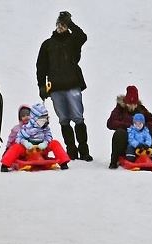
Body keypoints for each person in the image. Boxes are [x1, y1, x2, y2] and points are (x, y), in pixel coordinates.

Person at [36, 11, 92, 161]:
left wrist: (71, 23)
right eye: (59, 25)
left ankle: (84, 150)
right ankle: (71, 150)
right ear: (56, 26)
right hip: (55, 88)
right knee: (63, 119)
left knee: (78, 117)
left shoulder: (73, 41)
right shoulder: (47, 44)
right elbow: (40, 66)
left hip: (73, 84)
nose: (61, 28)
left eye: (64, 25)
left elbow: (83, 36)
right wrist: (41, 85)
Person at [106, 85, 152, 169]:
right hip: (128, 141)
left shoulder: (141, 109)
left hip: (143, 142)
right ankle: (114, 161)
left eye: (134, 104)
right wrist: (129, 126)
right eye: (130, 104)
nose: (132, 106)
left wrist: (142, 127)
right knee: (119, 133)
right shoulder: (120, 109)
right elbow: (111, 123)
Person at [0, 103, 70, 171]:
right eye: (43, 118)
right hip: (28, 150)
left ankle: (63, 162)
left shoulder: (45, 127)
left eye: (46, 118)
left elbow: (49, 136)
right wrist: (25, 143)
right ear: (35, 118)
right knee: (16, 147)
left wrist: (45, 142)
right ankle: (5, 164)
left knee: (55, 143)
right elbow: (19, 137)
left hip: (41, 148)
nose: (45, 120)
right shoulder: (27, 127)